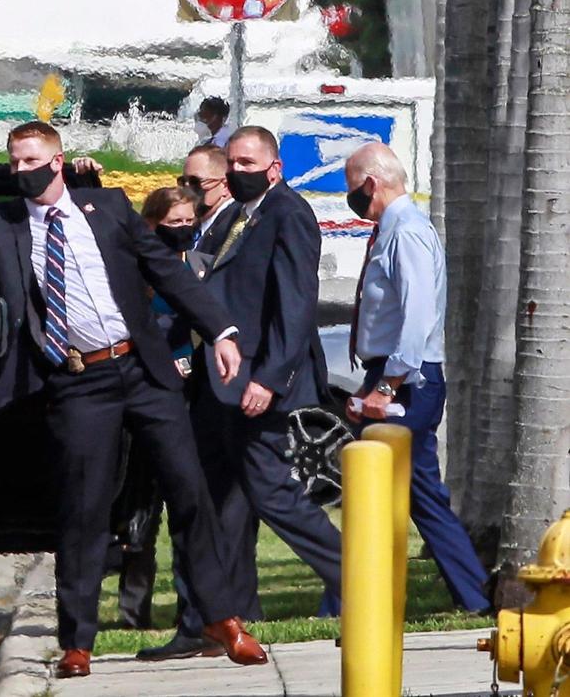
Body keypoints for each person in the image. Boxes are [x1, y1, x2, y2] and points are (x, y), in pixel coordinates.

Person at [0, 121, 266, 678]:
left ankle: (221, 619)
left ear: (57, 160)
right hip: (76, 380)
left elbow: (166, 272)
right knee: (83, 510)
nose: (21, 170)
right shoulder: (1, 221)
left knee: (188, 488)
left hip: (141, 367)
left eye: (31, 160)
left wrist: (221, 331)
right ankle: (77, 643)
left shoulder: (108, 207)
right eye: (14, 162)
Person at [145, 126, 343, 661]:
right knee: (210, 502)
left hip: (257, 384)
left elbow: (295, 305)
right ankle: (206, 621)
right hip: (220, 384)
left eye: (247, 162)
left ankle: (359, 581)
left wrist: (269, 378)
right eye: (231, 162)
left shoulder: (288, 214)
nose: (236, 170)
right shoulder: (238, 216)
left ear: (274, 168)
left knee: (272, 493)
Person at [344, 142, 490, 613]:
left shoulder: (405, 233)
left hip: (408, 380)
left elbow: (416, 316)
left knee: (387, 492)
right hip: (394, 374)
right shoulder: (393, 230)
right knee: (418, 493)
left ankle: (349, 599)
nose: (353, 200)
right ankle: (473, 595)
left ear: (371, 183)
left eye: (353, 191)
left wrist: (387, 386)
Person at [112, 186, 203, 632]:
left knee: (189, 501)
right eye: (174, 224)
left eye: (190, 222)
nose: (184, 231)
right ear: (151, 225)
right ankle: (134, 612)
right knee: (140, 510)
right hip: (146, 392)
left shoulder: (198, 266)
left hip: (187, 393)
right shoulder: (135, 271)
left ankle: (198, 608)